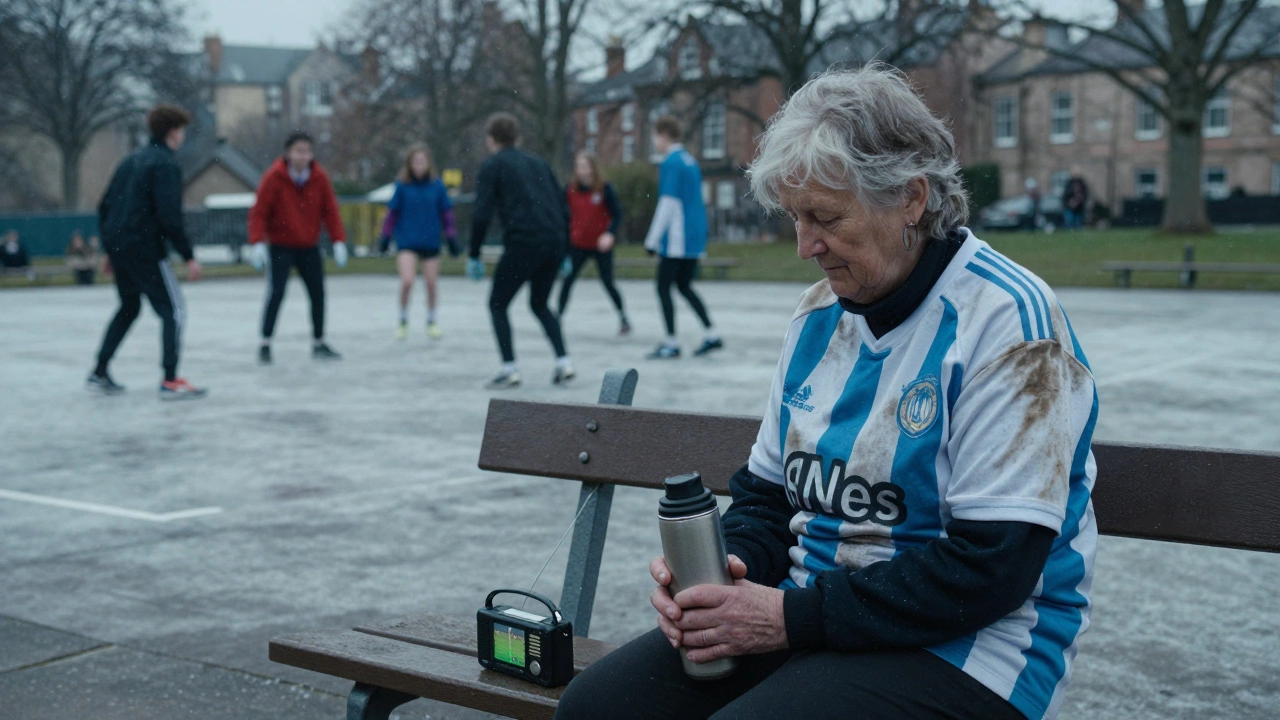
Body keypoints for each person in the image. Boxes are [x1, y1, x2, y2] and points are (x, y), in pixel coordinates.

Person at [556, 65, 1098, 720]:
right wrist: (724, 573)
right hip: (815, 617)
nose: (804, 246)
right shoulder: (820, 316)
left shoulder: (1010, 326)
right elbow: (764, 498)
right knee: (596, 709)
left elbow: (992, 569)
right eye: (794, 217)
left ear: (911, 199)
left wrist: (788, 617)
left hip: (975, 650)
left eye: (826, 218)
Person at [88, 104, 206, 399]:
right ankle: (170, 379)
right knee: (173, 311)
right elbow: (169, 216)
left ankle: (99, 370)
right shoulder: (165, 164)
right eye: (181, 131)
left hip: (120, 247)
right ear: (173, 131)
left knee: (129, 307)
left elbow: (105, 206)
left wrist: (109, 249)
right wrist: (188, 255)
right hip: (145, 249)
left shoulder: (131, 161)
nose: (182, 137)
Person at [468, 112, 575, 389]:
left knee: (497, 303)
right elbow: (563, 207)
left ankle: (509, 368)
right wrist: (564, 250)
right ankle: (564, 362)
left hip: (523, 242)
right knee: (540, 304)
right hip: (552, 242)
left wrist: (473, 254)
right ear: (517, 137)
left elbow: (481, 213)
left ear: (491, 139)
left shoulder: (493, 166)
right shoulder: (539, 163)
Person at [248, 131, 347, 364]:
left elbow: (330, 211)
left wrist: (338, 240)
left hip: (308, 245)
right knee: (277, 293)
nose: (303, 156)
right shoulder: (274, 178)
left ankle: (319, 342)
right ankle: (265, 342)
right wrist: (257, 243)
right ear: (288, 153)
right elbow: (259, 212)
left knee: (318, 293)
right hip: (281, 245)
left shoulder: (319, 178)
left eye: (307, 152)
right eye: (299, 151)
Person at [643, 116, 721, 359]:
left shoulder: (671, 162)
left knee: (663, 287)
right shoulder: (690, 161)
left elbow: (668, 203)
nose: (654, 141)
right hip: (694, 236)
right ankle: (712, 333)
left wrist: (652, 240)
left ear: (664, 135)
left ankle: (671, 342)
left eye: (655, 136)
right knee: (685, 286)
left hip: (677, 238)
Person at [377, 143, 458, 340]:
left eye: (423, 161)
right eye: (416, 162)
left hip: (430, 241)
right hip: (408, 241)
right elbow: (392, 214)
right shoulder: (402, 187)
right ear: (410, 164)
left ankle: (432, 320)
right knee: (407, 281)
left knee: (431, 284)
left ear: (428, 164)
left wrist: (452, 237)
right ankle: (403, 320)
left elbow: (446, 215)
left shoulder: (437, 186)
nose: (419, 166)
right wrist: (385, 236)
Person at [558, 151, 630, 335]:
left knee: (608, 282)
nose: (581, 171)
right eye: (578, 167)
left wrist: (609, 234)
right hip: (577, 244)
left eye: (585, 166)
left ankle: (623, 317)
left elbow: (617, 215)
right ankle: (557, 318)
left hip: (600, 245)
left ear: (592, 168)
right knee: (567, 281)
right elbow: (563, 217)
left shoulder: (604, 189)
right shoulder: (569, 190)